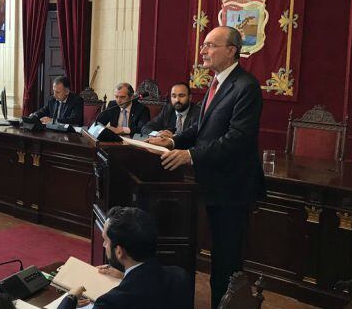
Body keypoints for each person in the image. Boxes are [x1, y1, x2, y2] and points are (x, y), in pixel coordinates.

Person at [147, 26, 264, 309]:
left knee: (227, 262)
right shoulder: (216, 83)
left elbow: (236, 139)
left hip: (232, 189)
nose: (203, 51)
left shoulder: (246, 86)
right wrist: (173, 141)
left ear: (231, 50)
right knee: (217, 261)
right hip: (211, 185)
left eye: (210, 45)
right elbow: (202, 128)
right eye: (204, 45)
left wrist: (190, 155)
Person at [59, 206, 190, 309]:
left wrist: (70, 299)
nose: (104, 245)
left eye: (105, 240)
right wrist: (125, 277)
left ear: (119, 251)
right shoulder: (179, 275)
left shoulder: (111, 302)